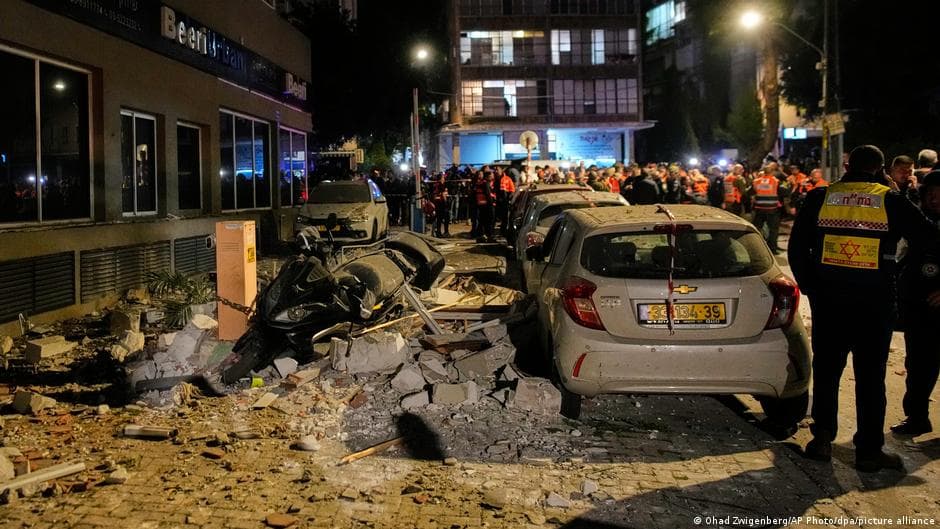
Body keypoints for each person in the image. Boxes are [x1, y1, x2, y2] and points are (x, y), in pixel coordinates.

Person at [788, 145, 937, 472]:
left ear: (847, 165)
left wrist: (814, 288)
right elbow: (928, 236)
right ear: (880, 168)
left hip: (830, 303)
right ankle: (869, 451)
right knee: (871, 378)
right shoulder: (889, 200)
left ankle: (822, 439)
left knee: (827, 373)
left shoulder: (820, 197)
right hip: (874, 304)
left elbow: (797, 250)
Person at [891, 171, 940, 436]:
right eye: (929, 193)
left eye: (938, 193)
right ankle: (917, 416)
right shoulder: (919, 222)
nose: (934, 199)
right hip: (919, 308)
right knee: (919, 365)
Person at [749, 165, 789, 254]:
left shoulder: (757, 181)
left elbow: (749, 192)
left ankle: (755, 248)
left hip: (759, 209)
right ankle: (772, 249)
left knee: (757, 228)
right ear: (772, 172)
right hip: (772, 209)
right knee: (773, 230)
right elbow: (785, 192)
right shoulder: (775, 181)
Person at [431, 173, 450, 238]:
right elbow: (438, 195)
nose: (444, 179)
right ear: (440, 178)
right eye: (443, 178)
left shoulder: (442, 185)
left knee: (443, 218)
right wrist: (443, 195)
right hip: (440, 204)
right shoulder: (438, 185)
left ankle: (443, 232)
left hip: (441, 204)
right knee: (441, 218)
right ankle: (441, 232)